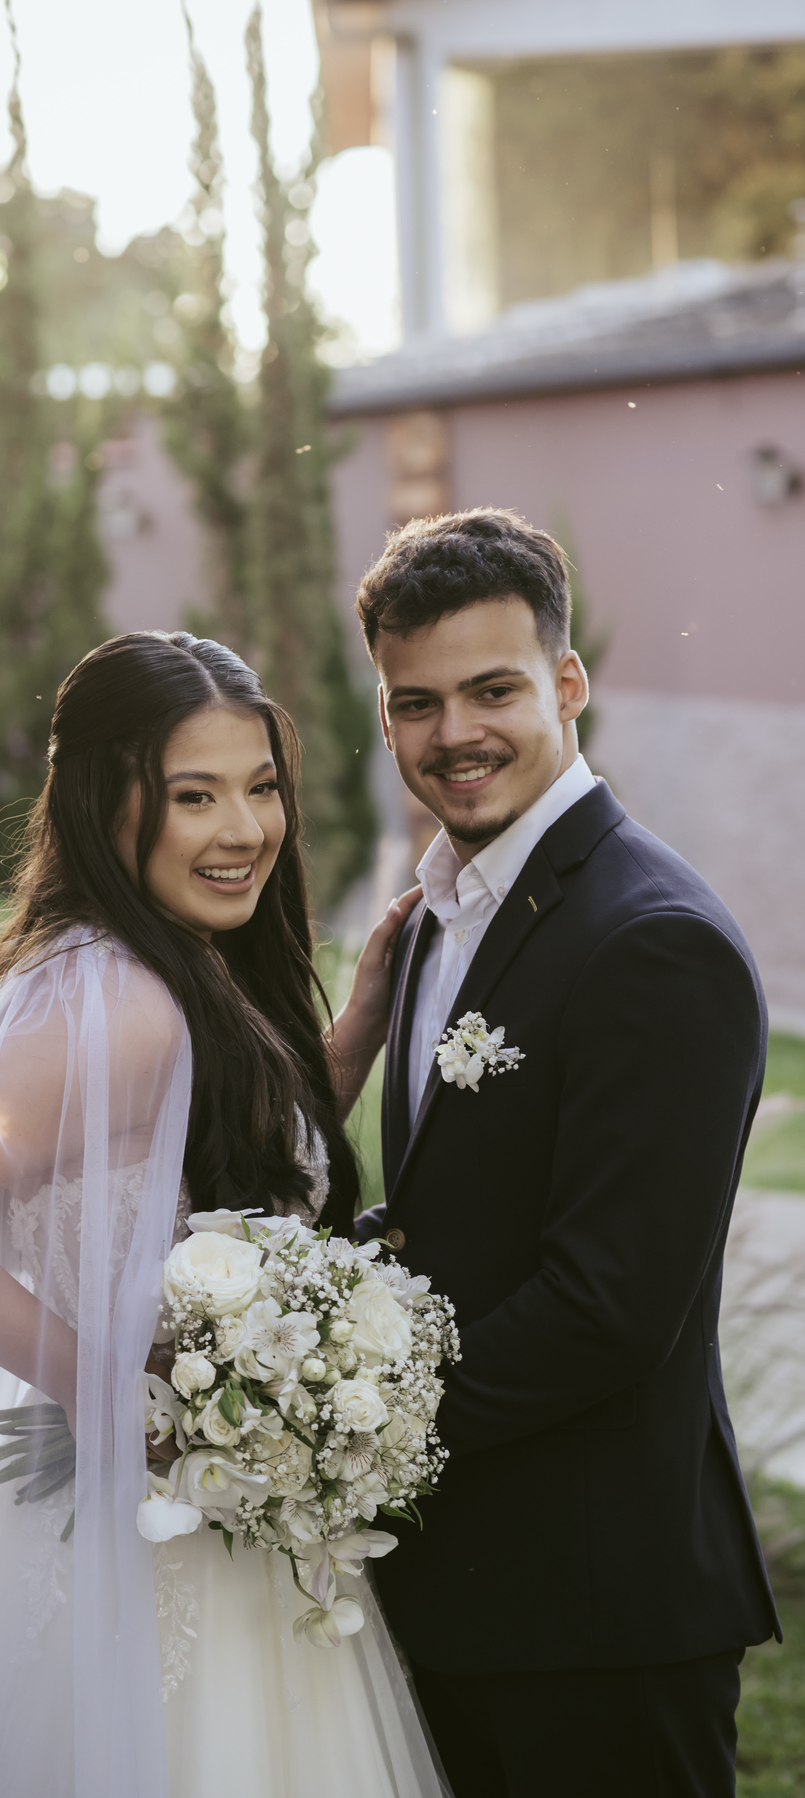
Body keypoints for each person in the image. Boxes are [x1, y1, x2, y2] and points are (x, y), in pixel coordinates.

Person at [0, 631, 446, 1798]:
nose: (245, 829)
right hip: (147, 1550)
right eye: (195, 796)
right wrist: (106, 1388)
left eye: (260, 787)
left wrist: (361, 1023)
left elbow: (218, 1165)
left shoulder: (164, 964)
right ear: (104, 802)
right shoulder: (120, 998)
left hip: (203, 1520)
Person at [341, 508, 780, 1798]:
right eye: (416, 702)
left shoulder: (654, 941)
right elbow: (448, 1219)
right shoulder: (439, 914)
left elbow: (609, 1307)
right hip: (455, 1596)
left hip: (600, 1623)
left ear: (568, 683)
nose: (454, 733)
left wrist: (338, 1424)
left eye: (494, 689)